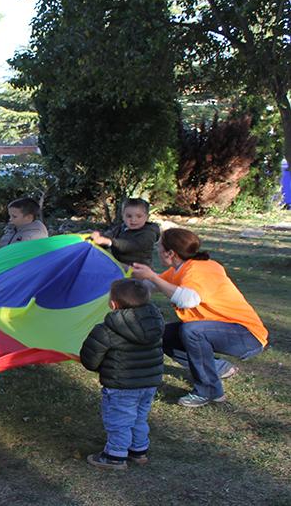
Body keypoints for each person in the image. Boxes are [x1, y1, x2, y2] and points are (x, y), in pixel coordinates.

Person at [131, 228, 268, 408]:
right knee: (165, 335)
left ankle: (209, 391)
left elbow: (188, 300)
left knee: (192, 331)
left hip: (246, 336)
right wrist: (124, 273)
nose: (157, 249)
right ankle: (219, 368)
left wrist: (153, 279)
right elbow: (149, 285)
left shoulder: (200, 269)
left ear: (170, 253)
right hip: (221, 330)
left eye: (160, 246)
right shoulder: (180, 269)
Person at [80, 279, 165, 470]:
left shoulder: (106, 330)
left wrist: (98, 366)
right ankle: (138, 450)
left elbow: (90, 359)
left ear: (113, 304)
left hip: (121, 386)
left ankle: (115, 456)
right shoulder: (155, 323)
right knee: (139, 417)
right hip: (149, 383)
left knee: (119, 421)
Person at [90, 198, 160, 266]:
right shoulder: (121, 228)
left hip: (139, 272)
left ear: (146, 217)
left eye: (139, 216)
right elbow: (109, 234)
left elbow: (131, 246)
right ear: (123, 216)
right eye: (129, 216)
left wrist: (109, 242)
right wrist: (97, 235)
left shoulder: (149, 233)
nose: (133, 220)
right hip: (120, 267)